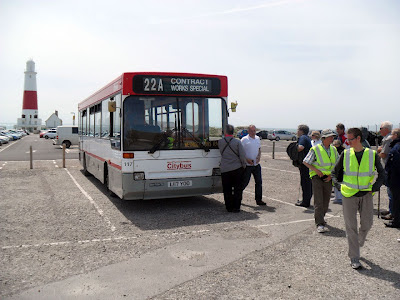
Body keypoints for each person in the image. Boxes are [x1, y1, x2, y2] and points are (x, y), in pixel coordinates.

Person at [331, 128, 384, 269]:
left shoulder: (372, 154)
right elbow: (334, 173)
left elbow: (382, 173)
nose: (347, 142)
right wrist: (338, 186)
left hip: (366, 194)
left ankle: (359, 241)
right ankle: (354, 257)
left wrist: (375, 187)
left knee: (367, 224)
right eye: (347, 139)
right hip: (348, 195)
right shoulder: (345, 154)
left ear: (358, 138)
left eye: (350, 139)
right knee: (351, 228)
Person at [303, 129, 338, 233]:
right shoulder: (315, 149)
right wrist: (317, 171)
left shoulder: (334, 150)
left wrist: (331, 176)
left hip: (328, 178)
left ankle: (321, 219)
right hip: (317, 177)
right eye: (330, 137)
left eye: (333, 137)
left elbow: (337, 165)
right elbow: (306, 162)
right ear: (324, 138)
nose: (332, 138)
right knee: (318, 201)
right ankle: (320, 223)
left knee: (326, 201)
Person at [218, 124, 247, 212]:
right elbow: (242, 155)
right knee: (238, 189)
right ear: (233, 132)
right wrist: (244, 166)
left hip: (225, 168)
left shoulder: (220, 142)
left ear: (225, 132)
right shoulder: (237, 142)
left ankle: (229, 207)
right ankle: (237, 207)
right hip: (237, 168)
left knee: (227, 189)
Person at [241, 125, 266, 205]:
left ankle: (258, 200)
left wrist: (259, 157)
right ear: (248, 131)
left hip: (256, 165)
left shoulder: (258, 138)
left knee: (259, 182)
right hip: (247, 165)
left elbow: (259, 149)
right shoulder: (244, 140)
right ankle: (237, 197)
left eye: (254, 131)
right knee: (245, 182)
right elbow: (240, 152)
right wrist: (247, 159)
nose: (253, 132)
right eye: (251, 131)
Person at [377, 121, 394, 221]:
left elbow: (383, 154)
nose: (379, 130)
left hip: (388, 167)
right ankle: (391, 209)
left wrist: (376, 156)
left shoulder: (388, 139)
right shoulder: (386, 138)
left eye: (380, 128)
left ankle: (392, 212)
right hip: (388, 167)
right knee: (389, 191)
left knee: (390, 191)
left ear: (386, 129)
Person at [384, 128, 400, 228]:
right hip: (396, 178)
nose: (391, 136)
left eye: (393, 134)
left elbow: (395, 164)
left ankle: (396, 221)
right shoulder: (395, 146)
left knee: (396, 201)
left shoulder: (397, 147)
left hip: (396, 179)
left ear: (396, 135)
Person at [295, 124, 313, 207]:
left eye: (298, 130)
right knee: (308, 182)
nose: (297, 131)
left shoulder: (302, 138)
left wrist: (294, 149)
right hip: (309, 163)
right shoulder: (307, 138)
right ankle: (306, 200)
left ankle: (305, 202)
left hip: (305, 164)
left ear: (301, 131)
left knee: (305, 183)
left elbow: (301, 147)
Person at [332, 139, 345, 204]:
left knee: (339, 182)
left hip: (340, 169)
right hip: (338, 169)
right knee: (336, 182)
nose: (333, 145)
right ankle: (337, 197)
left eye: (335, 144)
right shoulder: (338, 150)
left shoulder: (340, 151)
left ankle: (339, 197)